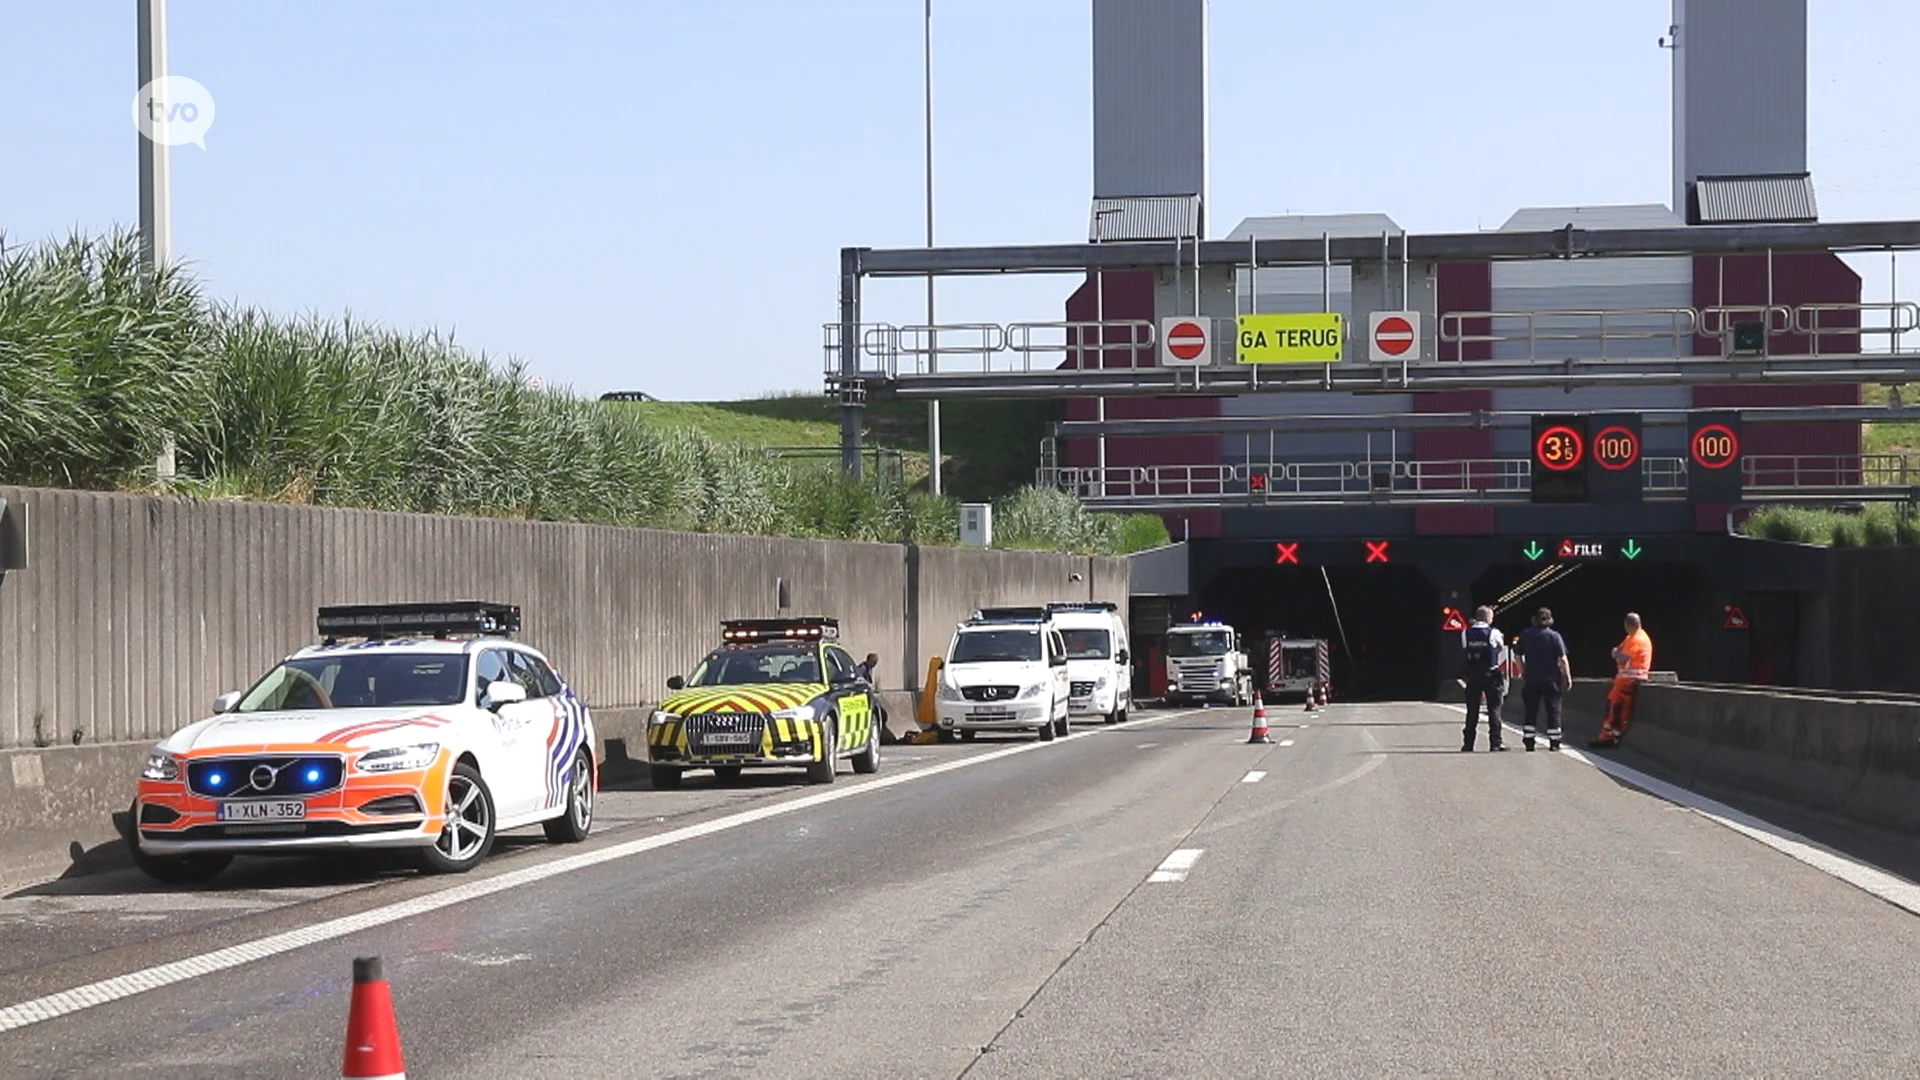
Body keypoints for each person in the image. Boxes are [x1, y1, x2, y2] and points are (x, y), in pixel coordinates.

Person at [1591, 612, 1652, 749]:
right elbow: (1617, 651)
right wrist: (1618, 653)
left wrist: (1617, 654)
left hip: (1629, 681)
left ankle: (1610, 737)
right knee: (1613, 705)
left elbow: (1619, 657)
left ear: (1627, 625)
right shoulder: (1631, 637)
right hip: (1623, 680)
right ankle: (1608, 735)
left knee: (1618, 709)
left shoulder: (1637, 640)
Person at [1516, 607, 1571, 752]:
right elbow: (1562, 659)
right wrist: (1567, 677)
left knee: (1531, 710)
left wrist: (1523, 672)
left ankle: (1529, 741)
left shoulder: (1526, 635)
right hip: (1551, 680)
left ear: (1534, 619)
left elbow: (1517, 656)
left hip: (1532, 679)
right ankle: (1554, 742)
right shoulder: (1554, 636)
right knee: (1553, 711)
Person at [1460, 605, 1507, 752]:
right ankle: (1495, 743)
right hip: (1490, 675)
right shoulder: (1494, 633)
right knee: (1494, 709)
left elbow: (1464, 648)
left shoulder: (1465, 633)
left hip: (1472, 676)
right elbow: (1500, 647)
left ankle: (1468, 744)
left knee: (1472, 711)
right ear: (1487, 618)